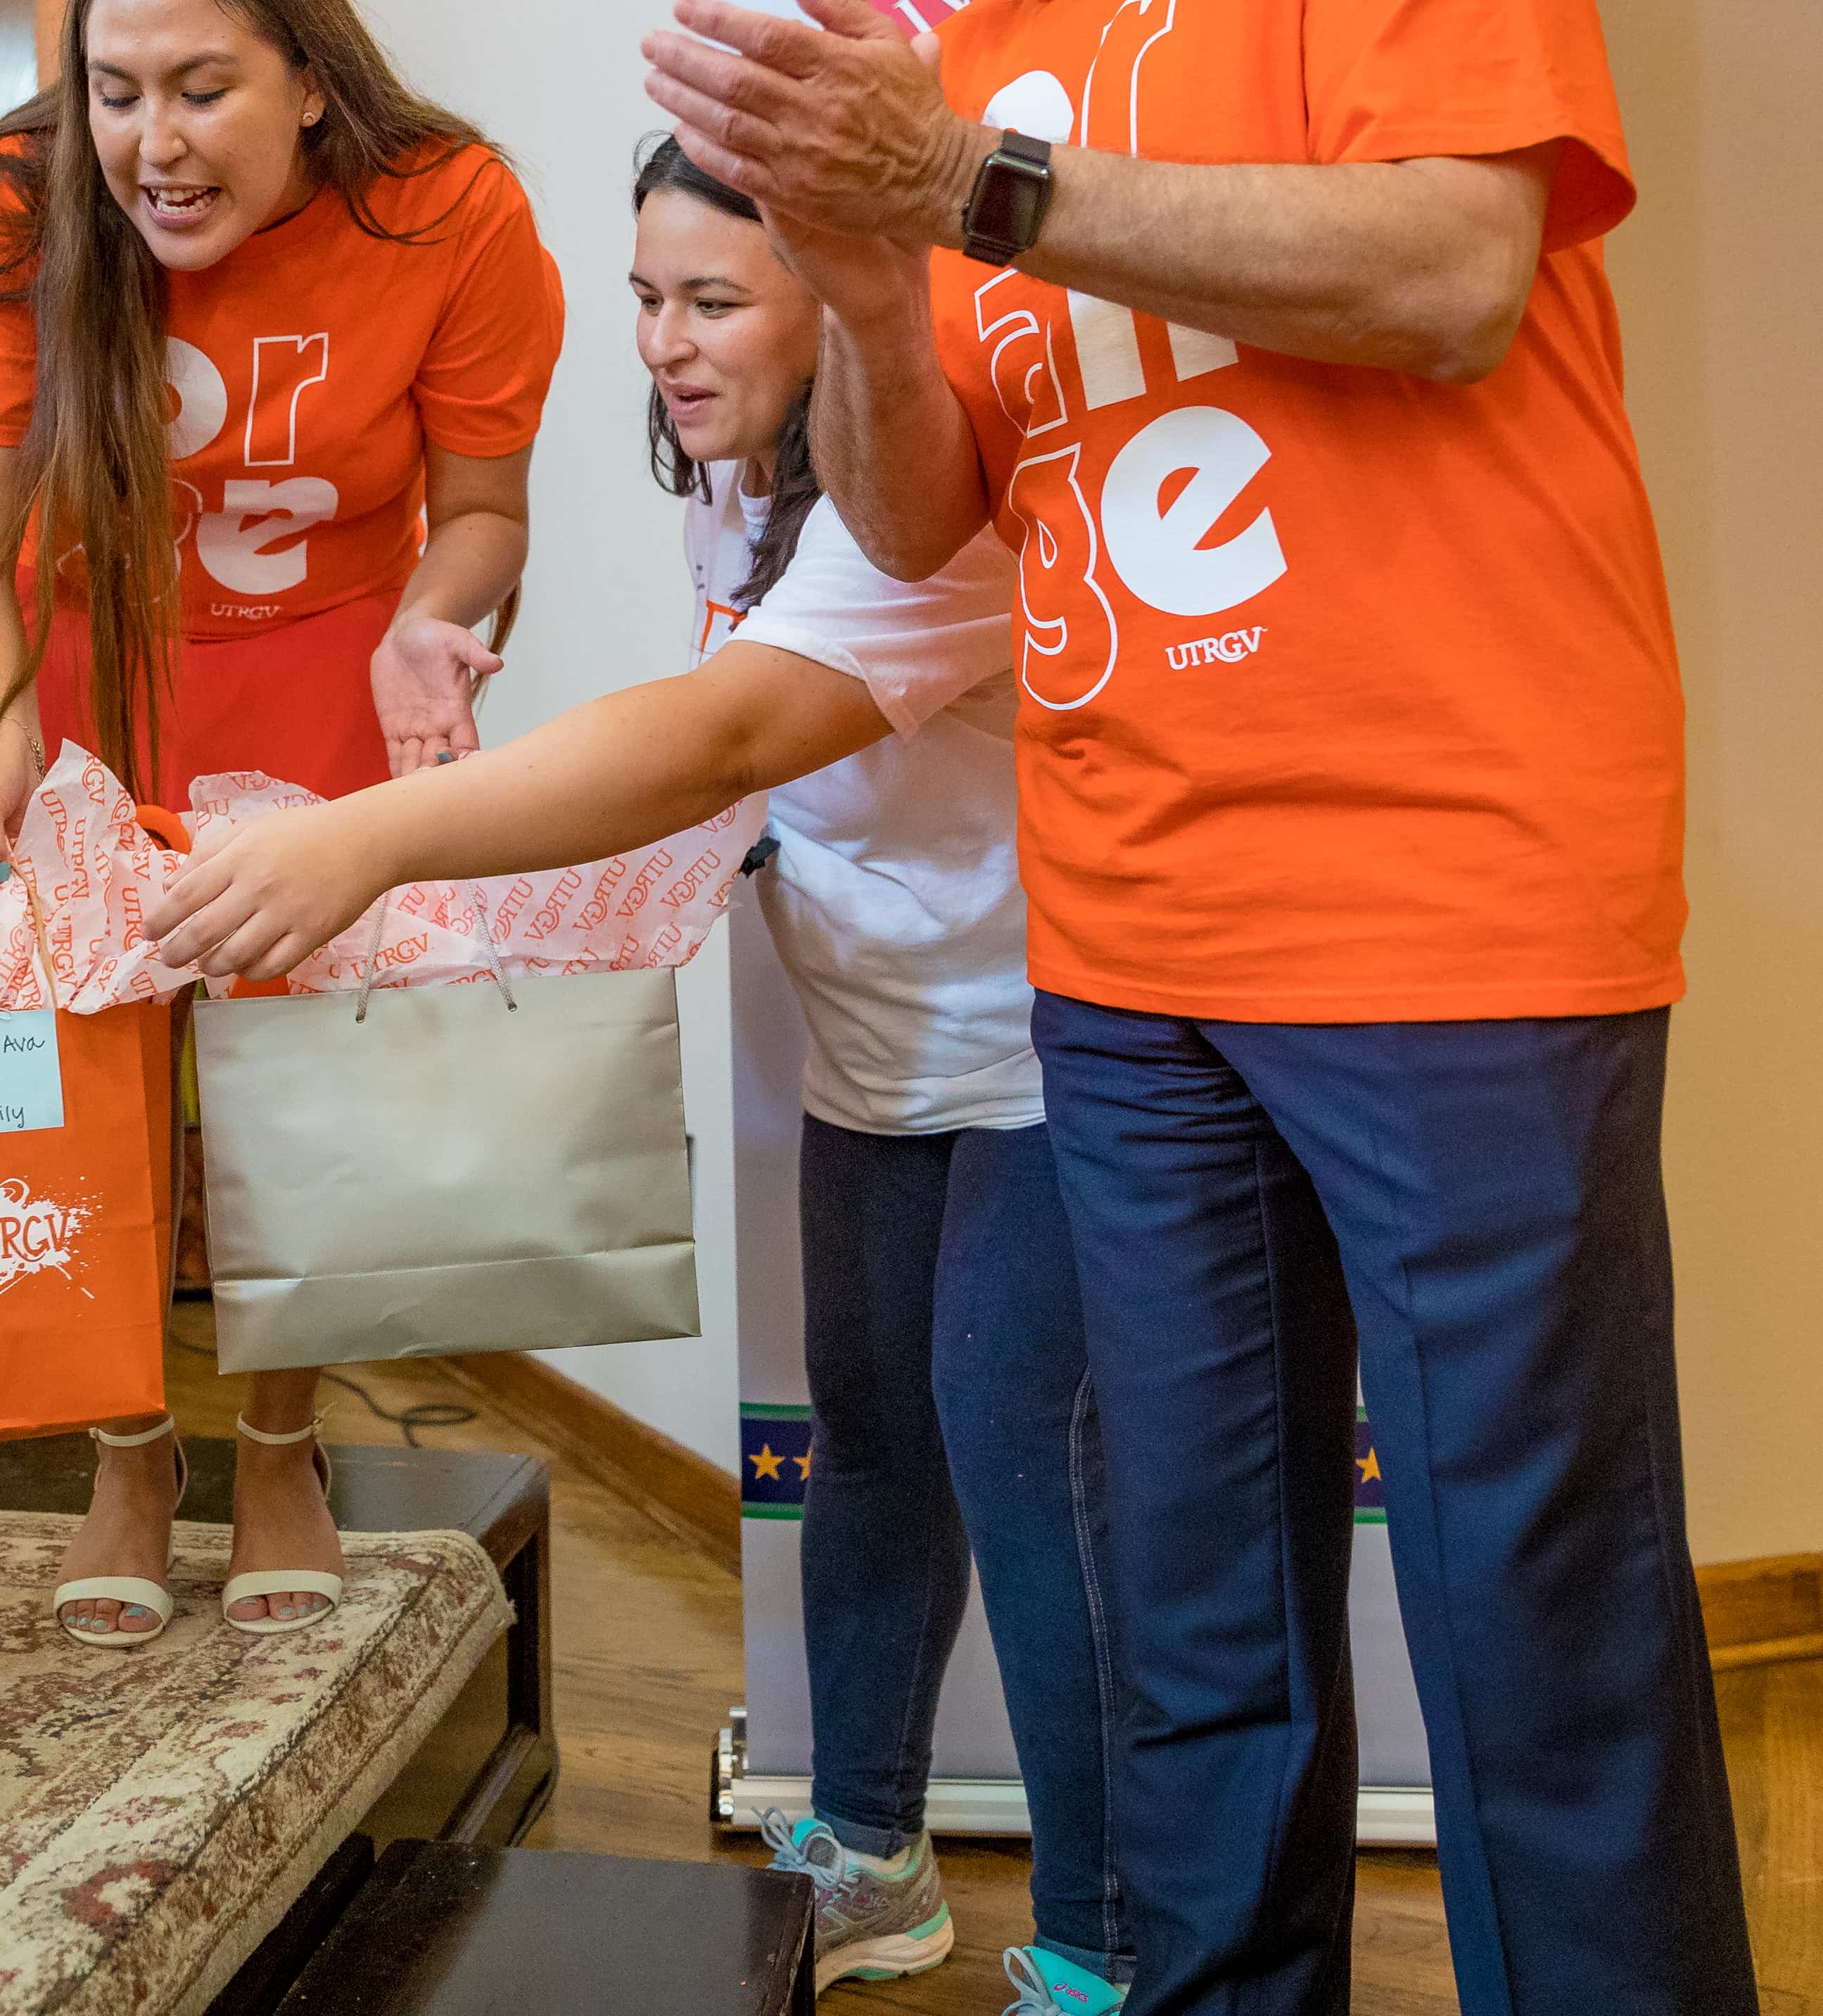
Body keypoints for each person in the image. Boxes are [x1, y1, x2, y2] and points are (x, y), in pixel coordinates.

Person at [637, 0, 1753, 2016]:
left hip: (1454, 907)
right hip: (1129, 954)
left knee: (1533, 1622)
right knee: (1199, 1615)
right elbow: (933, 517)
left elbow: (1458, 264)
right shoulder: (955, 69)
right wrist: (864, 284)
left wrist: (969, 186)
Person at [147, 134, 1131, 2010]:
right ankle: (871, 1855)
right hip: (873, 1049)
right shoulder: (739, 490)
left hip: (1042, 1060)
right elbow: (754, 771)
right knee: (874, 1444)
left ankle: (1105, 1946)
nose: (667, 344)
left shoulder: (925, 515)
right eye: (647, 299)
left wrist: (385, 838)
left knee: (1029, 1484)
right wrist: (463, 749)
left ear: (839, 306)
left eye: (714, 301)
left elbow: (722, 731)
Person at [0, 0, 565, 1644]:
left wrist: (434, 623)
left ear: (308, 83)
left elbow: (482, 511)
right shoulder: (15, 205)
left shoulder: (448, 212)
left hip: (323, 689)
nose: (149, 141)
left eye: (199, 88)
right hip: (80, 684)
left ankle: (281, 1446)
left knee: (304, 1110)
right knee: (77, 1092)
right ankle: (132, 1457)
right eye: (114, 92)